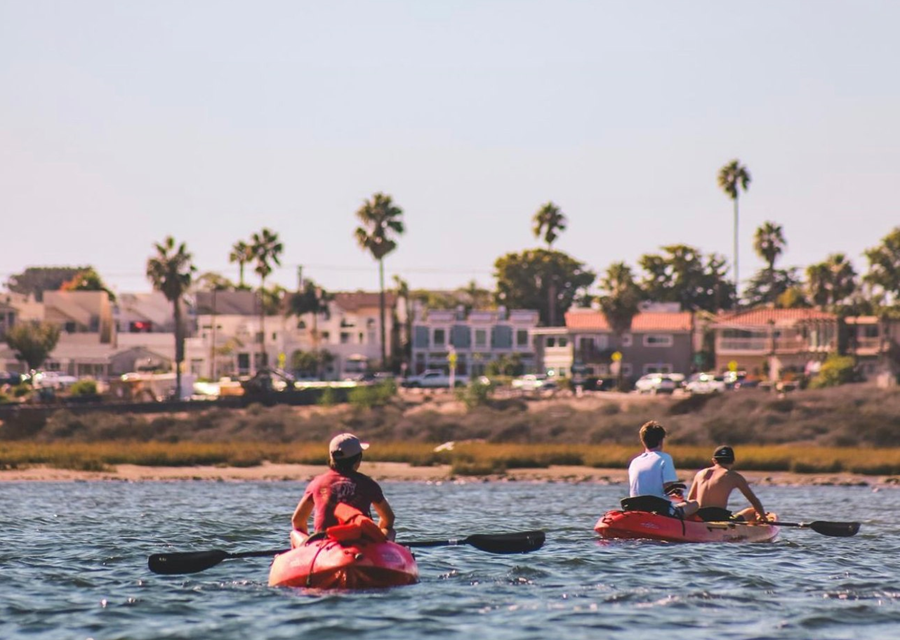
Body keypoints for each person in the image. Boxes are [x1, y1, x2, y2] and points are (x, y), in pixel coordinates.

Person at [291, 433, 396, 539]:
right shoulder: (368, 483)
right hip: (361, 541)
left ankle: (307, 551)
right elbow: (389, 519)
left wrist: (308, 543)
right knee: (390, 531)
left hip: (325, 542)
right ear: (358, 458)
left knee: (295, 533)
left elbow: (297, 521)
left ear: (332, 458)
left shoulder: (316, 483)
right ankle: (382, 551)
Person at [627, 420, 698, 517]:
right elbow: (669, 487)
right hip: (658, 509)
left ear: (643, 441)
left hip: (635, 506)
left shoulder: (635, 461)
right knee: (694, 504)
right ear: (661, 441)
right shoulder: (664, 458)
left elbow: (646, 490)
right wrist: (679, 494)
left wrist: (672, 497)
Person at [687, 446, 769, 522]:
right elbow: (754, 501)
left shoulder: (700, 473)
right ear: (733, 461)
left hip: (699, 515)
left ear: (714, 460)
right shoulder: (734, 476)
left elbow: (690, 499)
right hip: (720, 517)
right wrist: (764, 519)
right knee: (752, 511)